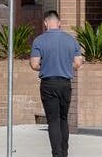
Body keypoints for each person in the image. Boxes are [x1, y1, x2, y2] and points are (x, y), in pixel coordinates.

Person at [29, 11, 83, 157]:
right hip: (65, 84)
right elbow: (78, 63)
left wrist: (46, 65)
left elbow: (34, 64)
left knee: (53, 120)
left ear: (45, 23)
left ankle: (57, 154)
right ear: (59, 23)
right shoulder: (71, 40)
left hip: (48, 84)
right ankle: (64, 152)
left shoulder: (39, 41)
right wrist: (65, 64)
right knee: (63, 119)